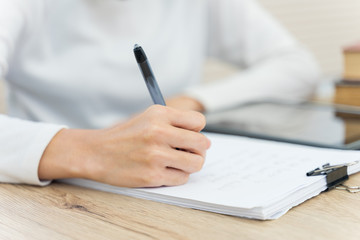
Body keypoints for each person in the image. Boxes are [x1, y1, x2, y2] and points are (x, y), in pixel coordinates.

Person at [0, 0, 319, 187]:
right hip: (47, 196)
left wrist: (192, 100)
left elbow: (298, 65)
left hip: (170, 195)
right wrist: (92, 150)